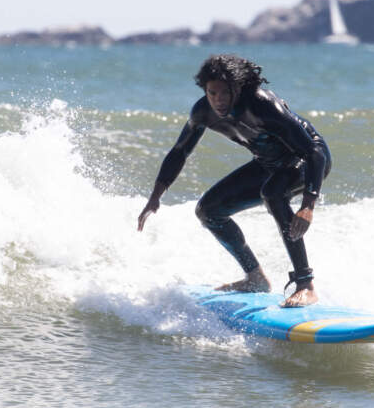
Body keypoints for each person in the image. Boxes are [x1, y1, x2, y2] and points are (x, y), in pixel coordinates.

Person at [137, 54, 332, 308]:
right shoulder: (203, 112)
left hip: (307, 160)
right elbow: (180, 151)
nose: (218, 100)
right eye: (212, 92)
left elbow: (312, 152)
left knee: (273, 193)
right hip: (268, 163)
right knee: (209, 211)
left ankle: (305, 285)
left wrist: (308, 204)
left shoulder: (264, 106)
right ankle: (255, 277)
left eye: (225, 93)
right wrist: (155, 197)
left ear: (238, 88)